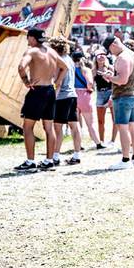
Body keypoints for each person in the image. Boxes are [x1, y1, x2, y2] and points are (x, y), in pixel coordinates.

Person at [15, 28, 64, 171]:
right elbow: (64, 67)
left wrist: (26, 81)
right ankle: (49, 161)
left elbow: (21, 67)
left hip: (37, 91)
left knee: (27, 127)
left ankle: (30, 162)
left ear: (32, 38)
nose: (27, 40)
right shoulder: (52, 52)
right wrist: (57, 82)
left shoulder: (32, 51)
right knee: (49, 127)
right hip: (50, 90)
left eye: (28, 37)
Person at [100, 36, 134, 170]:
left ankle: (125, 160)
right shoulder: (131, 54)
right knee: (133, 127)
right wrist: (112, 72)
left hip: (123, 96)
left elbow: (122, 80)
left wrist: (109, 77)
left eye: (109, 50)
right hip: (131, 94)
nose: (110, 53)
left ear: (113, 45)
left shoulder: (123, 57)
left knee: (123, 128)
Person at [49, 37, 83, 166]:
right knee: (75, 126)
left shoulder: (59, 61)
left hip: (62, 96)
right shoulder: (69, 59)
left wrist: (53, 98)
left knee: (58, 128)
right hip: (72, 95)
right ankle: (77, 155)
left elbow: (59, 82)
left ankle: (56, 156)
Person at [72, 50, 105, 150]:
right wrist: (90, 88)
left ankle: (78, 145)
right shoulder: (86, 70)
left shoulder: (70, 69)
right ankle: (98, 143)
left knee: (76, 124)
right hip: (84, 96)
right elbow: (90, 83)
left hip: (73, 95)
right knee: (90, 124)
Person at [94, 50, 117, 147]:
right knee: (100, 120)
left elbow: (115, 83)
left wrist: (112, 96)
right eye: (99, 55)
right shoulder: (93, 70)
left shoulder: (111, 68)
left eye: (103, 55)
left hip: (110, 92)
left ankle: (112, 141)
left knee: (114, 119)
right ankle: (102, 140)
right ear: (95, 57)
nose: (101, 56)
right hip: (100, 94)